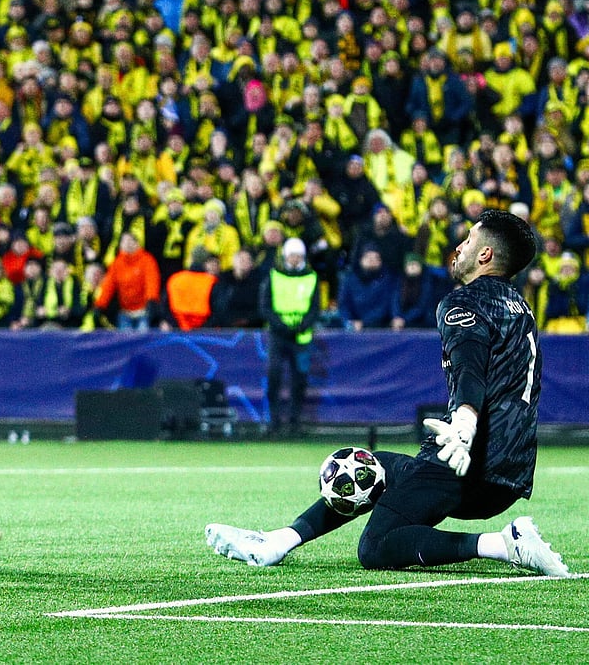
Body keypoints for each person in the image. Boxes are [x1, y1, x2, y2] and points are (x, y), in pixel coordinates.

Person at [206, 210, 569, 579]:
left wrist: (464, 421)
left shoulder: (464, 302)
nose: (458, 246)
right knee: (369, 467)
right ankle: (279, 541)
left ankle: (505, 544)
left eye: (469, 240)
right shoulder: (519, 306)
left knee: (377, 547)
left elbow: (469, 367)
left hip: (469, 457)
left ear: (485, 255)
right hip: (512, 469)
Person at [260, 237, 320, 435]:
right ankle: (274, 420)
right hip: (278, 335)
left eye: (298, 256)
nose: (294, 259)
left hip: (301, 337)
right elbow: (265, 305)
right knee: (274, 375)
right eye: (292, 255)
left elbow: (315, 307)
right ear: (286, 256)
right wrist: (281, 325)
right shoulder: (274, 275)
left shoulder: (311, 277)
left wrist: (303, 325)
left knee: (300, 379)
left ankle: (295, 421)